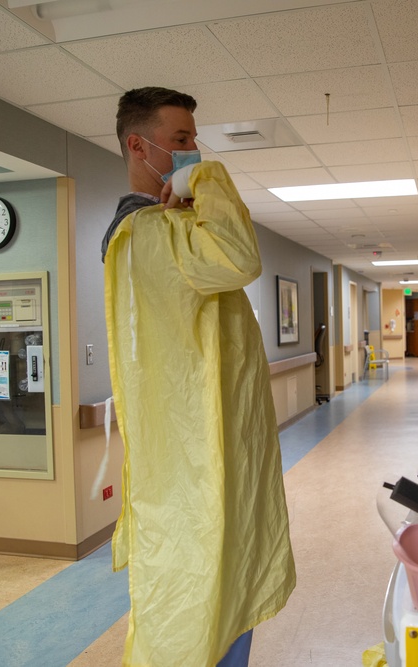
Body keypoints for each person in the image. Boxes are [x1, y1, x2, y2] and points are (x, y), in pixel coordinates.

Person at [100, 87, 296, 667]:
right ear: (140, 145)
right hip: (191, 466)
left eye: (195, 142)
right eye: (181, 141)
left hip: (211, 453)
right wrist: (205, 179)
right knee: (197, 597)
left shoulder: (168, 230)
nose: (191, 153)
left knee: (226, 584)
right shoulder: (142, 234)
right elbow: (240, 256)